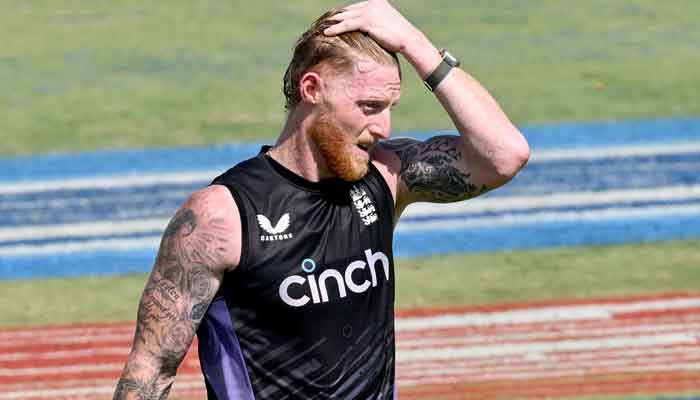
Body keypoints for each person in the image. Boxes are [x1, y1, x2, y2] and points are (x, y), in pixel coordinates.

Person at [113, 1, 530, 399]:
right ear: (312, 88)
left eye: (390, 107)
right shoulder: (220, 218)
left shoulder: (384, 177)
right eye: (368, 106)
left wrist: (415, 43)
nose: (383, 126)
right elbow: (150, 369)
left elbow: (504, 156)